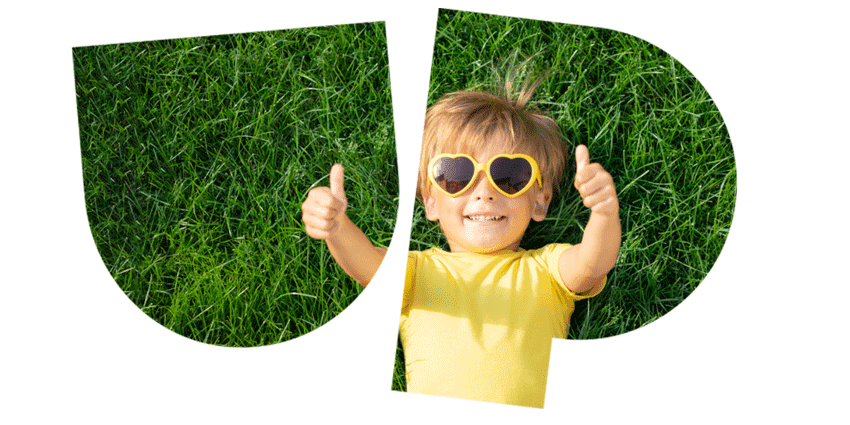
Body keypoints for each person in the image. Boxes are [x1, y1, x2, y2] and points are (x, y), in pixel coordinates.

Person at [302, 74, 620, 409]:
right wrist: (336, 228)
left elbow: (592, 263)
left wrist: (603, 213)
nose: (484, 192)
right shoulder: (419, 273)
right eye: (455, 174)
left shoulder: (546, 268)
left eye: (510, 175)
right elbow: (366, 264)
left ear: (540, 200)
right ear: (432, 202)